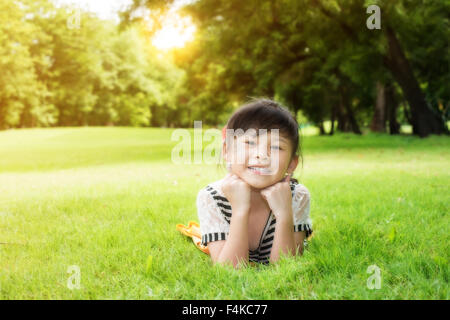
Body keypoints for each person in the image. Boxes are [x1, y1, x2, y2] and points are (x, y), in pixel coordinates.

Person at [196, 98, 312, 268]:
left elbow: (285, 268)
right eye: (249, 143)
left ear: (291, 163)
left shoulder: (296, 196)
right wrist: (240, 209)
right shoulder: (212, 197)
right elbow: (230, 270)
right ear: (227, 151)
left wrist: (284, 213)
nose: (261, 155)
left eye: (276, 147)